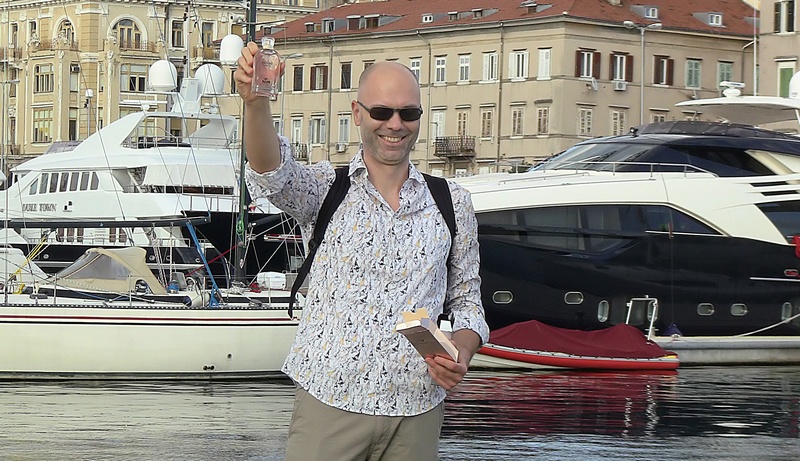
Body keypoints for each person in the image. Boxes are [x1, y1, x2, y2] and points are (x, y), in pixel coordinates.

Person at [234, 43, 489, 461]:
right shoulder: (325, 189)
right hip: (330, 402)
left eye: (409, 113)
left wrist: (460, 350)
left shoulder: (453, 202)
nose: (395, 124)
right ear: (357, 113)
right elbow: (271, 172)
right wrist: (255, 103)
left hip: (417, 409)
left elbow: (468, 303)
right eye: (382, 112)